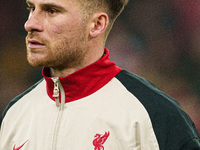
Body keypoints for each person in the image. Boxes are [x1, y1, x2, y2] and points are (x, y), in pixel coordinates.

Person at [0, 0, 199, 149]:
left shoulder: (154, 116)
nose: (30, 23)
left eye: (51, 11)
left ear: (96, 25)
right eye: (31, 8)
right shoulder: (14, 114)